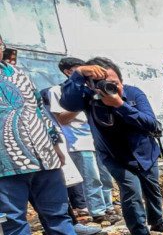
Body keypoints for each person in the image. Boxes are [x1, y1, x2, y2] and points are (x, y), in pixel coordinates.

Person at [0, 33, 105, 235]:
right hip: (6, 161)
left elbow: (38, 109)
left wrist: (55, 142)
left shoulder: (15, 72)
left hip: (42, 155)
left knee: (56, 209)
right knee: (13, 218)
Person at [61, 57, 163, 235]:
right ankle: (140, 234)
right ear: (91, 85)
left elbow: (150, 123)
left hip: (144, 152)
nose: (108, 87)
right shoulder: (89, 98)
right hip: (114, 155)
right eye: (102, 83)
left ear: (121, 81)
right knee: (131, 191)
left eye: (113, 83)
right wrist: (79, 73)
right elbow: (68, 103)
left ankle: (157, 221)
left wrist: (120, 105)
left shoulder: (134, 94)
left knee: (152, 188)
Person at [47, 57, 117, 223]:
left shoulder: (92, 87)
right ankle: (98, 211)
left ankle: (109, 207)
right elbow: (62, 119)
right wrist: (80, 104)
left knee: (105, 176)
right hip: (79, 141)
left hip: (98, 139)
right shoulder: (57, 91)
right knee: (92, 179)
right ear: (68, 72)